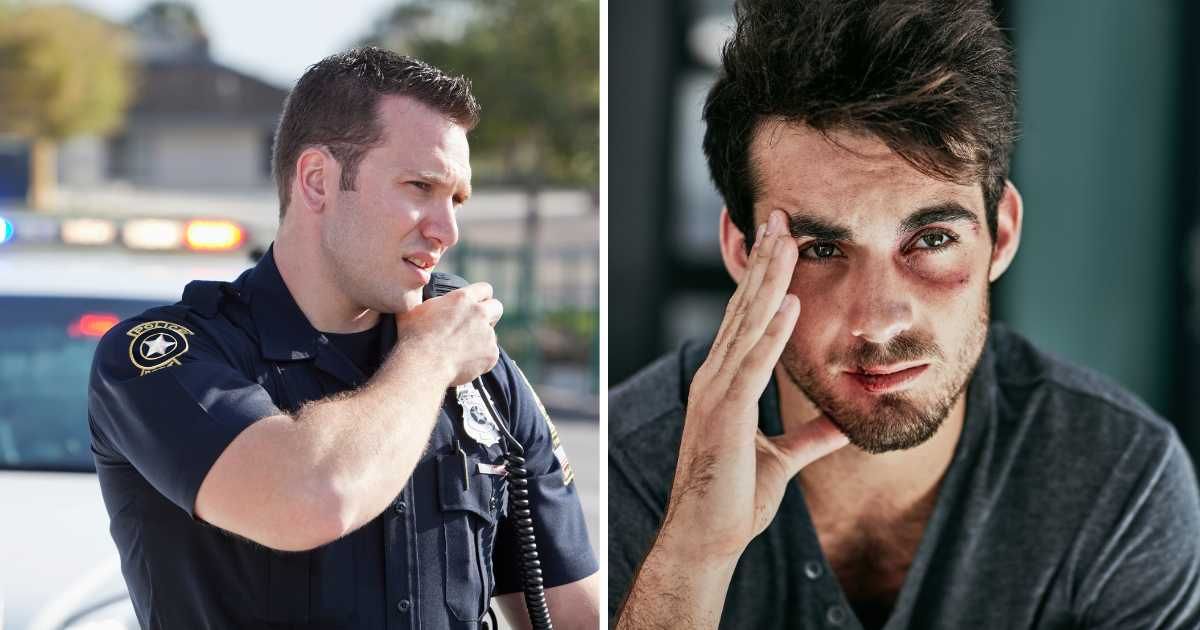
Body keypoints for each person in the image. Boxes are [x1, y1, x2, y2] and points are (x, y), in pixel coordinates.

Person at [609, 1, 1200, 628]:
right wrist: (693, 556)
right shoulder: (635, 465)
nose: (880, 320)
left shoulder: (1121, 477)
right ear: (740, 252)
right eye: (822, 250)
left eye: (933, 240)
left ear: (1001, 235)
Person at [88, 47, 598, 629]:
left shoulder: (481, 372)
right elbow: (311, 498)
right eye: (419, 186)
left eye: (455, 200)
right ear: (317, 181)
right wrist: (428, 359)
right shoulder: (163, 355)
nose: (446, 230)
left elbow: (575, 613)